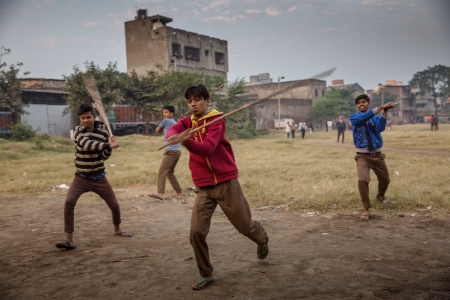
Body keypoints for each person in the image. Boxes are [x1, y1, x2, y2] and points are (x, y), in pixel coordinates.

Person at [165, 84, 269, 290]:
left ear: (207, 100)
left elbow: (208, 148)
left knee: (244, 226)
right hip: (203, 187)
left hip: (226, 182)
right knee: (196, 232)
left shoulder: (217, 120)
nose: (193, 104)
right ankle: (206, 273)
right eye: (189, 101)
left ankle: (262, 239)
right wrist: (175, 134)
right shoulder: (187, 121)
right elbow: (174, 130)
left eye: (197, 99)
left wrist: (185, 141)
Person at [55, 104, 132, 250]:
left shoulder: (103, 134)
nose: (85, 120)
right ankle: (68, 239)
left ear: (94, 117)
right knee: (69, 202)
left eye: (88, 117)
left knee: (114, 205)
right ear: (80, 119)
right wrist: (108, 146)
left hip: (99, 177)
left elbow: (104, 156)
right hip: (81, 177)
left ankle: (117, 228)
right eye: (83, 118)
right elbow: (87, 145)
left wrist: (109, 147)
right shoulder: (78, 132)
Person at [349, 94, 395, 221]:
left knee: (385, 179)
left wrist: (385, 112)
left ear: (368, 103)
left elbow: (380, 128)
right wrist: (381, 107)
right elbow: (364, 117)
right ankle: (366, 207)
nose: (361, 104)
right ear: (357, 106)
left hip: (377, 155)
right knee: (363, 180)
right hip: (362, 156)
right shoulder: (354, 117)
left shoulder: (374, 118)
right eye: (358, 103)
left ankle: (380, 195)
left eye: (364, 102)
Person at [149, 105, 184, 200]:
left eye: (166, 112)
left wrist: (161, 126)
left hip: (171, 150)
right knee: (170, 172)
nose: (164, 114)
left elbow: (157, 130)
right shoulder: (175, 123)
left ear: (172, 114)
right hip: (177, 151)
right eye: (163, 112)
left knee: (162, 171)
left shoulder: (165, 121)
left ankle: (160, 193)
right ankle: (179, 192)